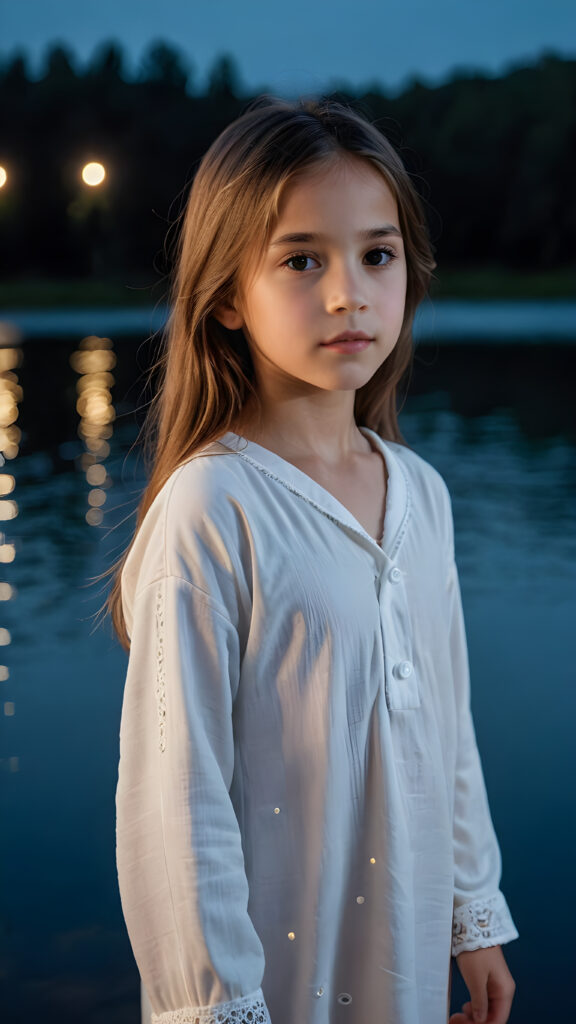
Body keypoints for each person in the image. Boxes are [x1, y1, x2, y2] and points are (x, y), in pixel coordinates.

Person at [109, 95, 519, 1024]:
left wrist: (471, 912)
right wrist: (216, 1001)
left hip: (403, 957)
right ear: (223, 297)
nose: (349, 293)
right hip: (274, 983)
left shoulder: (422, 492)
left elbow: (447, 726)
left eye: (377, 254)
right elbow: (177, 802)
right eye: (302, 260)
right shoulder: (215, 508)